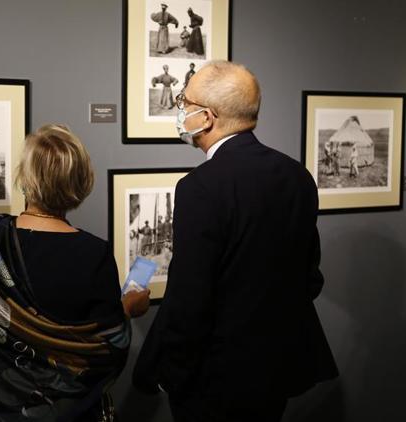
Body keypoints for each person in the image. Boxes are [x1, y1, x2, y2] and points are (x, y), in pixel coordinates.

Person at [134, 61, 338, 421]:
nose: (180, 109)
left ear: (208, 117)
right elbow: (310, 278)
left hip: (214, 378)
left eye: (184, 100)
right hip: (276, 369)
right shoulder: (297, 175)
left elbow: (190, 299)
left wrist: (174, 374)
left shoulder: (200, 187)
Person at [0, 124, 151, 422]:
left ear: (25, 180)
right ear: (81, 183)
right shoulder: (92, 252)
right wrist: (129, 309)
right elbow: (108, 348)